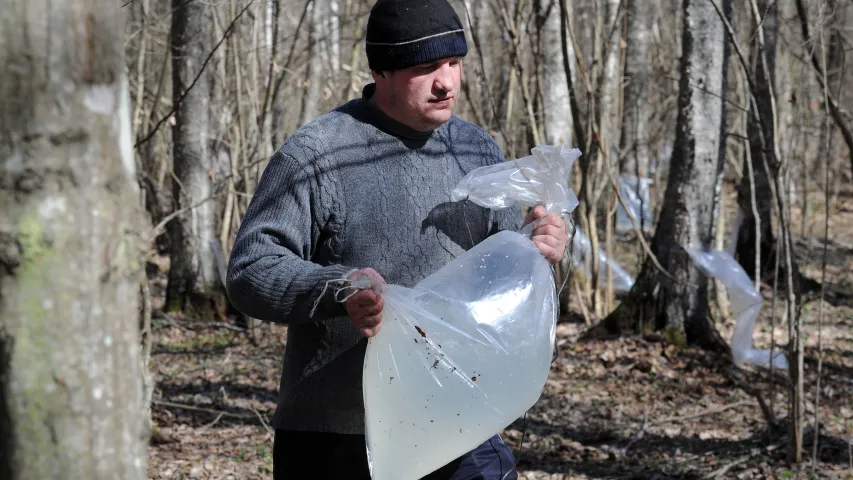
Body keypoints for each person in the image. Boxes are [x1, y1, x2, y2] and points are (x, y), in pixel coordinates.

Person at [225, 0, 568, 478]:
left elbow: (503, 274)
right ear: (380, 71)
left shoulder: (475, 148)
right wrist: (342, 288)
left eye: (453, 63)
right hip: (338, 433)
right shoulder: (320, 153)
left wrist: (540, 245)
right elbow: (250, 270)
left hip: (457, 419)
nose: (446, 82)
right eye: (425, 67)